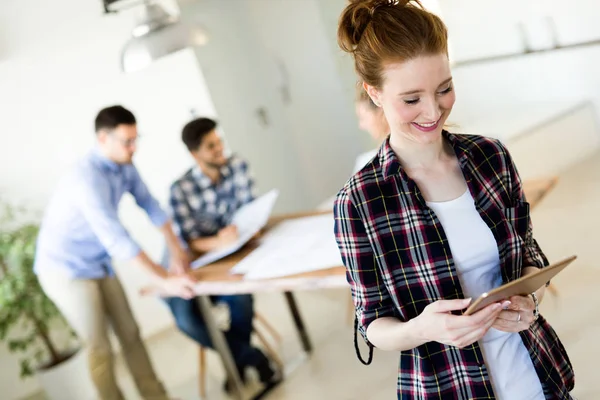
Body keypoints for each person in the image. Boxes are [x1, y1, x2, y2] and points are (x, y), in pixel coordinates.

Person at [333, 1, 575, 399]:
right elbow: (373, 325)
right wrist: (423, 329)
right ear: (373, 93)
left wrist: (530, 297)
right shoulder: (360, 202)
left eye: (444, 89)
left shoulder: (490, 157)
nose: (433, 110)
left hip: (536, 377)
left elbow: (528, 255)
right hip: (447, 385)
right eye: (411, 99)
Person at [34, 105, 196, 400]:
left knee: (131, 333)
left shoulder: (125, 165)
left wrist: (176, 249)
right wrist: (164, 280)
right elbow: (117, 239)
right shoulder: (86, 178)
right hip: (65, 269)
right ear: (103, 139)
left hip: (99, 262)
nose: (133, 148)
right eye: (127, 142)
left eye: (136, 140)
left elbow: (150, 205)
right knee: (99, 347)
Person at [164, 117, 279, 392]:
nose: (220, 149)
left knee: (241, 300)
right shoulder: (180, 190)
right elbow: (187, 242)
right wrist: (216, 241)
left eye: (219, 142)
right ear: (195, 154)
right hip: (190, 265)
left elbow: (251, 209)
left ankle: (236, 364)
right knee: (187, 321)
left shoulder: (237, 166)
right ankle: (251, 356)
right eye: (211, 146)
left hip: (229, 259)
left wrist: (248, 230)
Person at [353, 83, 390, 173]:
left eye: (362, 118)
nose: (361, 125)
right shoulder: (365, 162)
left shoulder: (367, 166)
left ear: (381, 111)